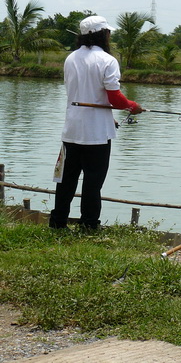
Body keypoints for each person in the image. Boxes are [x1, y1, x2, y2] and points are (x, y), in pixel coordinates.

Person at [49, 16, 143, 230]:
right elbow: (115, 98)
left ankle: (57, 222)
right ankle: (89, 224)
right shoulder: (107, 61)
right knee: (93, 182)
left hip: (71, 130)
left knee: (66, 180)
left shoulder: (70, 58)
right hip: (97, 135)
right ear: (103, 35)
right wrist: (132, 106)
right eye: (108, 32)